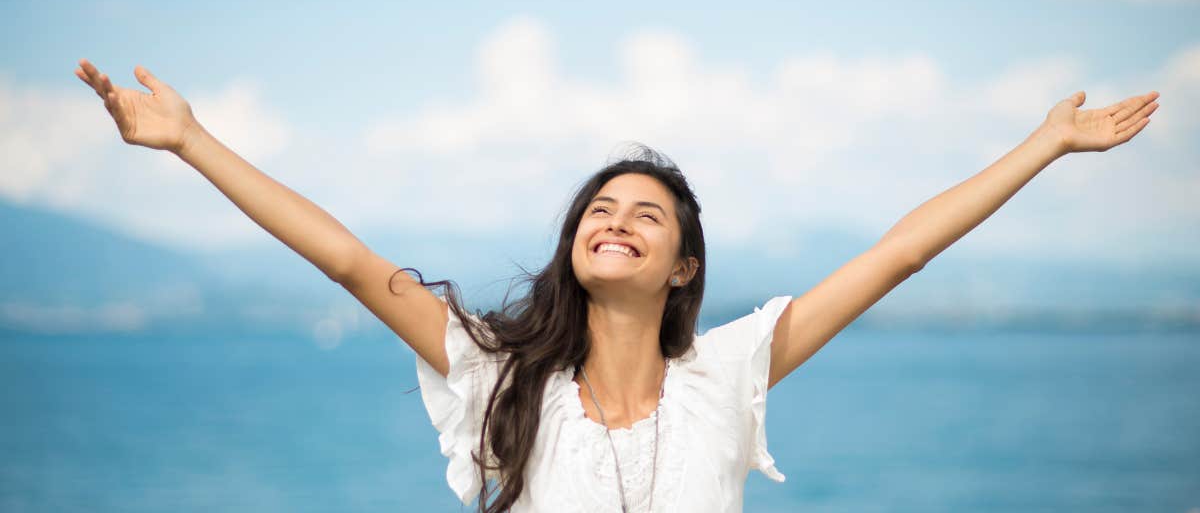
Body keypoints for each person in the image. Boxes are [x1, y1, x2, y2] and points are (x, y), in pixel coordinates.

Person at [74, 58, 1160, 512]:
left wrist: (1043, 144)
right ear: (574, 245)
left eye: (648, 212)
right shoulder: (496, 370)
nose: (616, 219)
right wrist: (191, 140)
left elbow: (897, 253)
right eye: (600, 207)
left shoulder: (730, 368)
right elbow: (349, 257)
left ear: (684, 263)